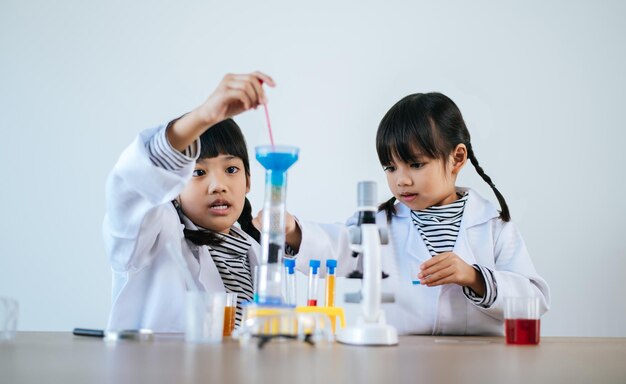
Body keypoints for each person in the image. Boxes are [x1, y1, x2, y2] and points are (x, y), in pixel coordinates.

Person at [298, 92, 550, 335]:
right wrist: (292, 232)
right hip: (401, 363)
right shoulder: (378, 224)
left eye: (416, 164)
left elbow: (534, 301)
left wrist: (474, 277)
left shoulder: (494, 227)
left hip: (477, 364)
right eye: (390, 167)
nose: (401, 180)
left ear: (457, 158)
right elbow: (335, 244)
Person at [103, 72, 306, 331]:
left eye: (231, 170)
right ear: (174, 184)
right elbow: (131, 191)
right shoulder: (156, 234)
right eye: (198, 172)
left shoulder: (252, 250)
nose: (218, 185)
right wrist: (202, 117)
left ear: (248, 181)